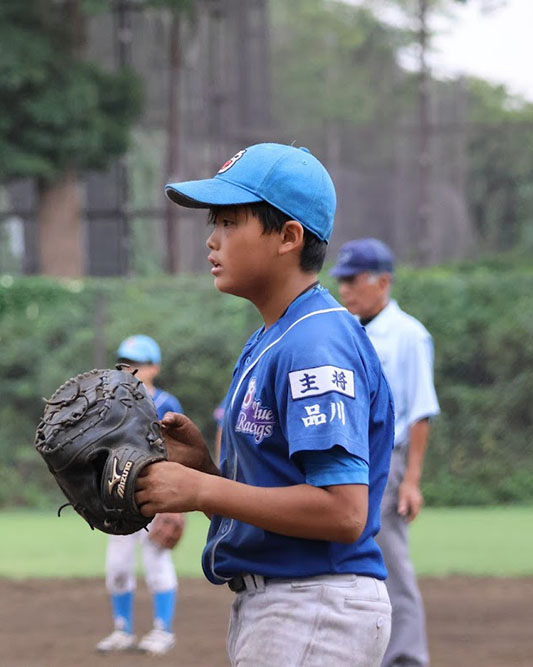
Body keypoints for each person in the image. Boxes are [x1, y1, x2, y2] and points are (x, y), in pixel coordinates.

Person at [136, 142, 396, 665]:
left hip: (312, 604)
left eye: (230, 222)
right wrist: (203, 471)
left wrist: (201, 486)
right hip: (291, 604)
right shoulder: (277, 336)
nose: (212, 239)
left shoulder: (315, 342)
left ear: (289, 236)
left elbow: (344, 512)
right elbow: (272, 496)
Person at [331, 238, 441, 667]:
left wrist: (411, 480)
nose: (344, 288)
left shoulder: (409, 335)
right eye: (341, 279)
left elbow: (420, 413)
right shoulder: (344, 329)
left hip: (388, 462)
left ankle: (408, 658)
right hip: (346, 461)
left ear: (383, 282)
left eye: (353, 279)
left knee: (392, 562)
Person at [95, 334, 184, 656]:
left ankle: (163, 630)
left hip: (158, 494)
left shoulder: (167, 403)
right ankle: (123, 630)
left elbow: (179, 452)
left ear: (154, 368)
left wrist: (178, 504)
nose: (130, 369)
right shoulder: (108, 404)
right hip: (118, 496)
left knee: (156, 561)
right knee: (117, 566)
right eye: (125, 362)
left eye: (138, 364)